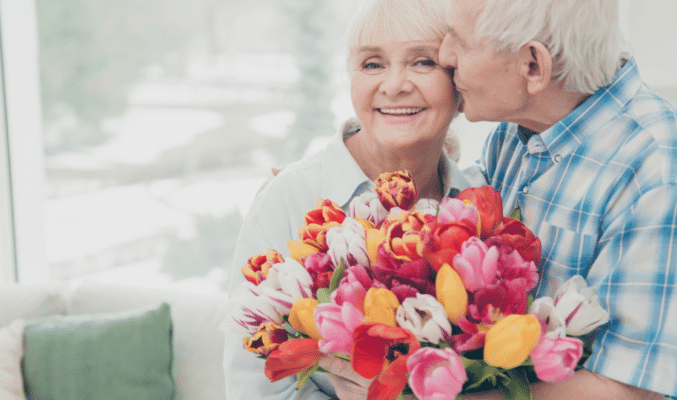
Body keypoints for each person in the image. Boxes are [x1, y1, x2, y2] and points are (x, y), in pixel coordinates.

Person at [222, 0, 471, 398]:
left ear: (461, 82)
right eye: (372, 64)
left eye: (422, 62)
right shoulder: (288, 199)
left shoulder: (481, 204)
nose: (394, 85)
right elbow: (252, 388)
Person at [437, 0, 674, 399]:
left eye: (460, 41)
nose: (444, 55)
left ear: (533, 65)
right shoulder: (514, 133)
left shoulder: (655, 169)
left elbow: (630, 390)